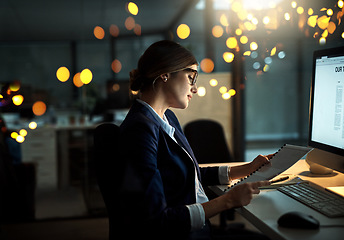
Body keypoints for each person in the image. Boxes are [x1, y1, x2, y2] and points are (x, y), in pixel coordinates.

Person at [117, 40, 271, 239]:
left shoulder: (166, 118)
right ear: (165, 73)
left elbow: (185, 175)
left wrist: (245, 169)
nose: (195, 88)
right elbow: (155, 221)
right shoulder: (139, 131)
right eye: (191, 77)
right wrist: (228, 201)